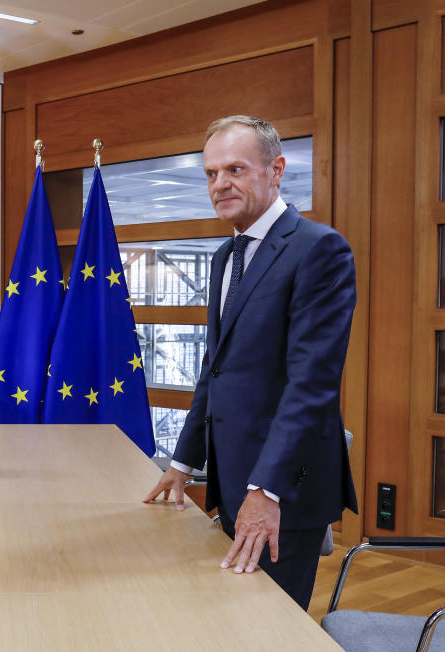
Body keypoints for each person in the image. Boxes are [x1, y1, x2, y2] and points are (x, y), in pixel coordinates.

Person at [143, 115, 357, 610]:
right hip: (234, 478)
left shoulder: (319, 249)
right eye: (211, 174)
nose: (220, 185)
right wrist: (182, 462)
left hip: (283, 490)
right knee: (231, 619)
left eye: (235, 169)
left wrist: (267, 491)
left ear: (276, 169)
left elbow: (312, 384)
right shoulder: (225, 255)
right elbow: (214, 371)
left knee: (268, 627)